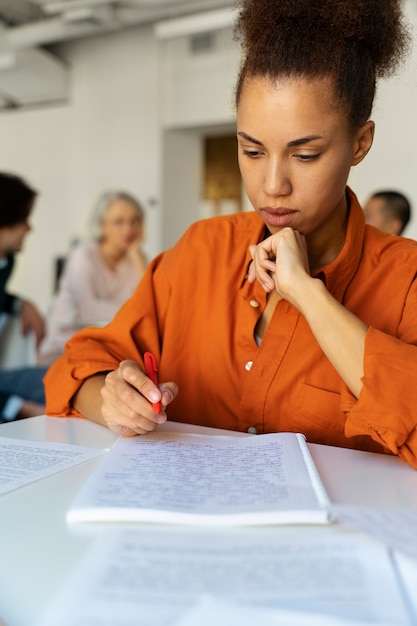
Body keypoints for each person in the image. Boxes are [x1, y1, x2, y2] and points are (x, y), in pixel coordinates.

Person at [44, 0, 417, 469]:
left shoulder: (405, 280)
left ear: (359, 143)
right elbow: (77, 364)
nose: (272, 185)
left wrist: (308, 295)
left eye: (305, 155)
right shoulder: (202, 250)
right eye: (252, 150)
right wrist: (112, 399)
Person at [38, 190, 148, 364]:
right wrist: (134, 313)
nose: (128, 229)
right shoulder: (84, 254)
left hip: (111, 349)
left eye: (135, 221)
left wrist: (136, 255)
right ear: (102, 225)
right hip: (66, 348)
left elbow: (148, 304)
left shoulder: (136, 261)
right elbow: (87, 309)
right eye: (118, 222)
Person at [0, 172, 48, 422]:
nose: (30, 228)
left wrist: (20, 302)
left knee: (58, 379)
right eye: (24, 220)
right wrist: (20, 407)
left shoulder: (5, 262)